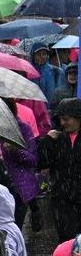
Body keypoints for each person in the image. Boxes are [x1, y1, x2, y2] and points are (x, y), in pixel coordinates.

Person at [38, 99, 81, 239]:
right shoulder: (57, 139)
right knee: (67, 242)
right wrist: (47, 141)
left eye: (66, 119)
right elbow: (42, 164)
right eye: (61, 120)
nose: (63, 123)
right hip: (62, 200)